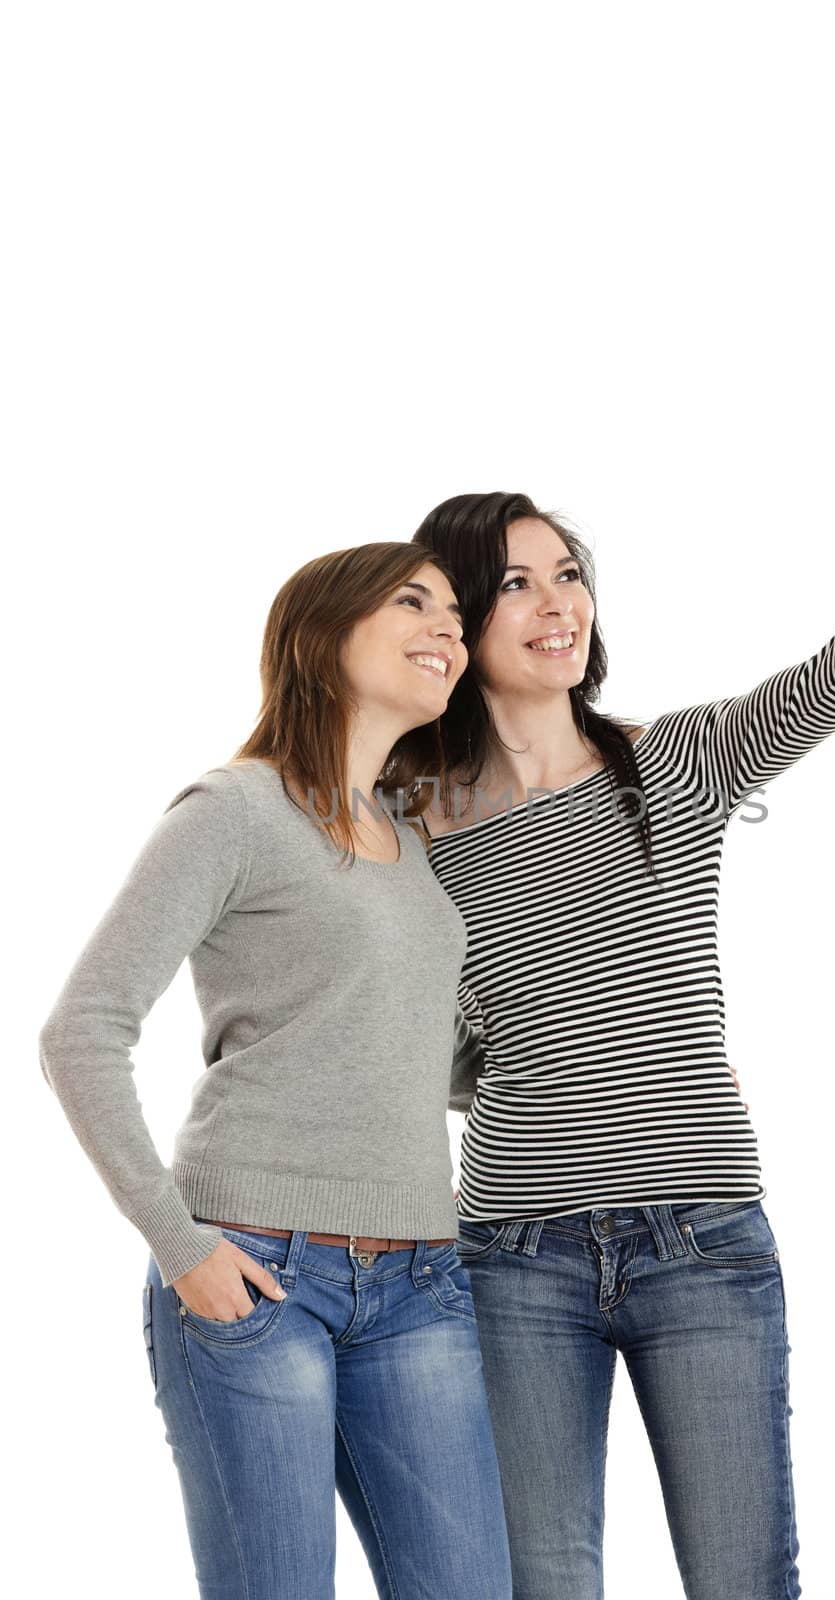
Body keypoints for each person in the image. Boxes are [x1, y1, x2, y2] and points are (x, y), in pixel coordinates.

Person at [409, 370, 835, 1600]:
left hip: (702, 1236)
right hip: (512, 1253)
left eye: (566, 572)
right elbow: (406, 1022)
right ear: (457, 617)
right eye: (514, 581)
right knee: (542, 1583)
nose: (554, 601)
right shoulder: (411, 820)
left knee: (743, 1579)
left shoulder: (676, 759)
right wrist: (478, 1058)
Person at [38, 541, 514, 1600]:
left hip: (421, 1277)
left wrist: (614, 1073)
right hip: (257, 1271)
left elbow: (430, 1063)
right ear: (322, 633)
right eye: (413, 602)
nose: (448, 627)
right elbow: (82, 1030)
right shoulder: (233, 810)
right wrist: (181, 1245)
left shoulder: (411, 839)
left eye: (452, 612)